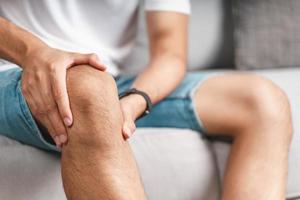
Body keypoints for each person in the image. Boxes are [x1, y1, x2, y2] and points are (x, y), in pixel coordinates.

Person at [0, 0, 293, 199]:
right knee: (90, 91)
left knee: (262, 101)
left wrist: (133, 101)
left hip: (108, 80)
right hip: (14, 68)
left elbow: (170, 54)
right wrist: (33, 53)